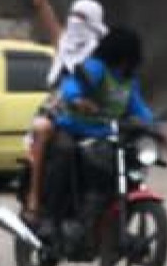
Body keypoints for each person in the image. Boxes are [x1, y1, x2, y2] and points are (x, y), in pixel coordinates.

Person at [45, 26, 156, 250]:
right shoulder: (96, 68)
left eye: (130, 58)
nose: (127, 62)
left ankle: (106, 222)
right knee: (65, 155)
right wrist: (77, 100)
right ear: (116, 53)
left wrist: (153, 126)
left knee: (129, 166)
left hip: (105, 135)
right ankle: (51, 220)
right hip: (74, 129)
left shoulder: (128, 80)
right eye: (124, 57)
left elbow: (139, 107)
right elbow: (71, 86)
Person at [23, 0, 105, 225]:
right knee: (45, 131)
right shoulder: (62, 40)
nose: (76, 23)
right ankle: (35, 200)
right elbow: (39, 0)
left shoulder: (101, 52)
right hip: (58, 111)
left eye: (83, 19)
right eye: (74, 17)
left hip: (93, 115)